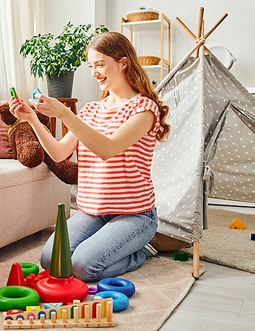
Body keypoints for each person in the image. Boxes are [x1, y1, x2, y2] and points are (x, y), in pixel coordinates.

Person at [9, 32, 170, 282]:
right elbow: (59, 152)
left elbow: (108, 149)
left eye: (101, 64)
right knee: (51, 260)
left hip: (133, 215)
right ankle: (111, 243)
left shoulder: (144, 109)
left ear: (123, 62)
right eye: (91, 66)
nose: (94, 72)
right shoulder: (90, 110)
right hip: (93, 212)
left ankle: (140, 251)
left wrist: (64, 114)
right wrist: (31, 119)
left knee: (82, 267)